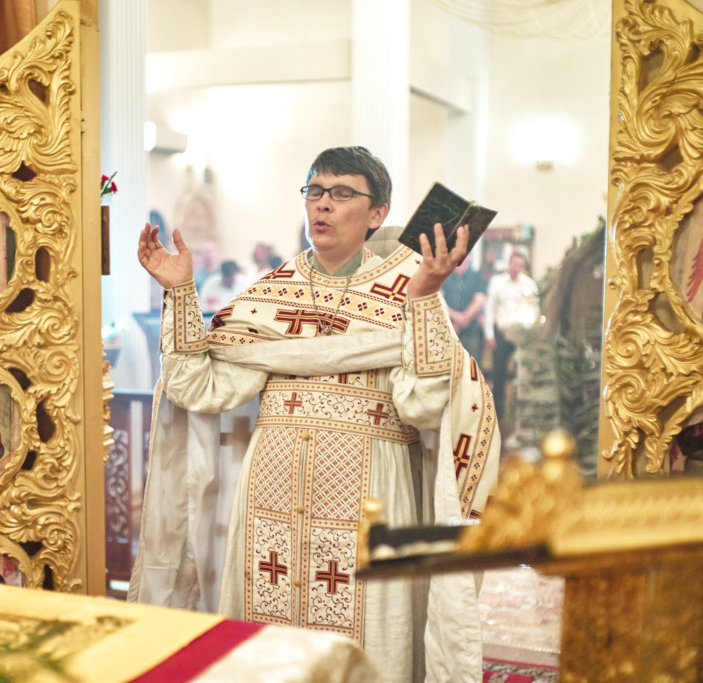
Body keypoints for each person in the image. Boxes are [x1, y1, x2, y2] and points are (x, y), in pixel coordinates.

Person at [129, 146, 500, 681]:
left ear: (377, 213)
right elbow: (196, 386)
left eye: (342, 193)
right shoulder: (269, 294)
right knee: (266, 638)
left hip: (370, 495)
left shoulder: (411, 285)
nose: (323, 204)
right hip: (270, 494)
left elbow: (422, 404)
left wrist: (423, 299)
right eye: (315, 191)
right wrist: (181, 292)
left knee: (366, 640)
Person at [484, 249, 539, 422]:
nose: (516, 267)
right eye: (514, 264)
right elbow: (490, 308)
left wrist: (533, 333)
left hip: (522, 333)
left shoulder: (529, 284)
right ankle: (498, 410)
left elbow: (535, 308)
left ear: (524, 267)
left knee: (522, 372)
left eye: (520, 265)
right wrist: (489, 334)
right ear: (509, 264)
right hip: (501, 332)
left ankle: (521, 408)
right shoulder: (497, 282)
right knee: (499, 371)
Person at [442, 253, 488, 365]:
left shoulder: (477, 276)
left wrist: (463, 319)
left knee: (471, 366)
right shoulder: (443, 276)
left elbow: (479, 300)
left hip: (470, 330)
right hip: (447, 330)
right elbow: (438, 299)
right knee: (448, 365)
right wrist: (456, 317)